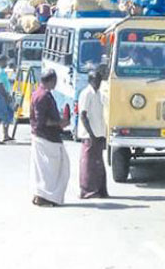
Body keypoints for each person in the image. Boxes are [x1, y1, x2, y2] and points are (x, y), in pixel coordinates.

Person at [29, 69, 71, 207]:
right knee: (51, 170)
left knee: (43, 169)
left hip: (43, 137)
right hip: (46, 138)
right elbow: (42, 121)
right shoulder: (43, 96)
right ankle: (44, 197)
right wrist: (60, 122)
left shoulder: (37, 93)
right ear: (51, 81)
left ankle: (41, 195)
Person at [77, 69, 109, 199]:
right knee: (88, 165)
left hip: (98, 133)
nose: (98, 83)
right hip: (89, 135)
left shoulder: (98, 94)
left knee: (98, 164)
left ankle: (99, 190)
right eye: (96, 80)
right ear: (90, 81)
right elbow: (83, 115)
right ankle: (87, 191)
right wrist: (91, 134)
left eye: (100, 80)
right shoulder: (86, 94)